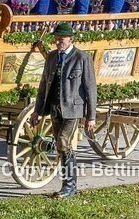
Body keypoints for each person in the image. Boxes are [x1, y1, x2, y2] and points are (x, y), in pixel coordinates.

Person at [32, 23, 96, 199]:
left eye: (61, 39)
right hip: (55, 108)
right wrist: (37, 111)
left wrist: (90, 116)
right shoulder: (52, 57)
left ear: (71, 39)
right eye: (56, 38)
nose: (58, 41)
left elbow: (90, 88)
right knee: (62, 147)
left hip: (73, 110)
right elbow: (43, 85)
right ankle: (68, 186)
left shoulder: (82, 58)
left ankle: (69, 186)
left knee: (63, 142)